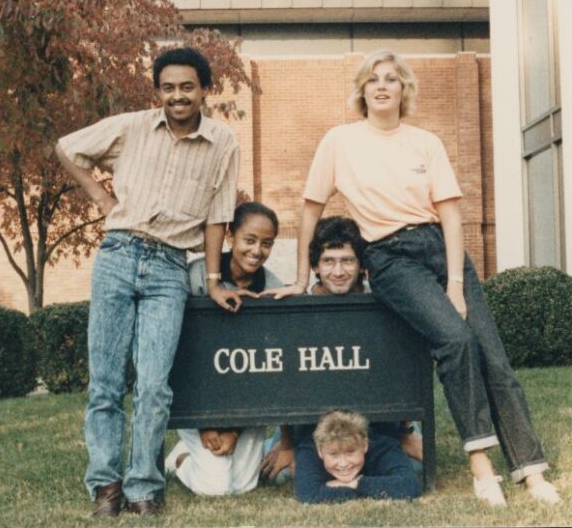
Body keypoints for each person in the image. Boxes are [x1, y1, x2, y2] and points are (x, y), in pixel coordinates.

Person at [268, 50, 561, 506]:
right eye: (373, 80)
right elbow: (310, 208)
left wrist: (456, 284)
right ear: (362, 91)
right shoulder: (339, 141)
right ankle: (482, 468)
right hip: (390, 257)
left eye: (391, 79)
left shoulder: (425, 141)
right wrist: (301, 275)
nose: (382, 86)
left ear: (404, 90)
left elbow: (449, 213)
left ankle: (531, 471)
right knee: (455, 342)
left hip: (443, 253)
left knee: (494, 360)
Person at [56, 47, 245, 517]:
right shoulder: (133, 125)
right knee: (105, 381)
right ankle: (105, 484)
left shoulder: (223, 142)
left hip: (169, 267)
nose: (177, 96)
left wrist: (216, 280)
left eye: (187, 87)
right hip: (118, 254)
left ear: (204, 89)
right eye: (167, 87)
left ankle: (143, 485)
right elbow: (68, 147)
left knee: (154, 384)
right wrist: (100, 197)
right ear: (157, 90)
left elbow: (219, 218)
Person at [260, 216, 423, 484]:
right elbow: (283, 379)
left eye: (347, 260)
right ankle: (257, 447)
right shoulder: (298, 306)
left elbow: (402, 363)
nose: (338, 271)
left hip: (376, 420)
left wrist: (404, 432)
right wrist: (287, 443)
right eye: (329, 261)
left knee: (412, 469)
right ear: (315, 266)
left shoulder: (383, 300)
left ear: (361, 266)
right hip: (312, 423)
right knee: (285, 476)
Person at [164, 201, 282, 496]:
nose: (257, 251)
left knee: (244, 485)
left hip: (247, 406)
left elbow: (269, 370)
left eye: (266, 244)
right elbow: (181, 355)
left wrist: (235, 430)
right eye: (250, 240)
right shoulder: (196, 277)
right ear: (230, 237)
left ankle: (207, 452)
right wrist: (202, 423)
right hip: (198, 400)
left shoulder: (272, 288)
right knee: (216, 488)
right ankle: (179, 458)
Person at [294, 409, 421, 504]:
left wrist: (357, 483)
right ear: (320, 450)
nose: (343, 464)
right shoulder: (310, 448)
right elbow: (309, 494)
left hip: (385, 420)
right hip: (303, 420)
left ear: (365, 445)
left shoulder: (382, 445)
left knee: (417, 467)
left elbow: (410, 486)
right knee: (282, 475)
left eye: (350, 452)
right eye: (334, 454)